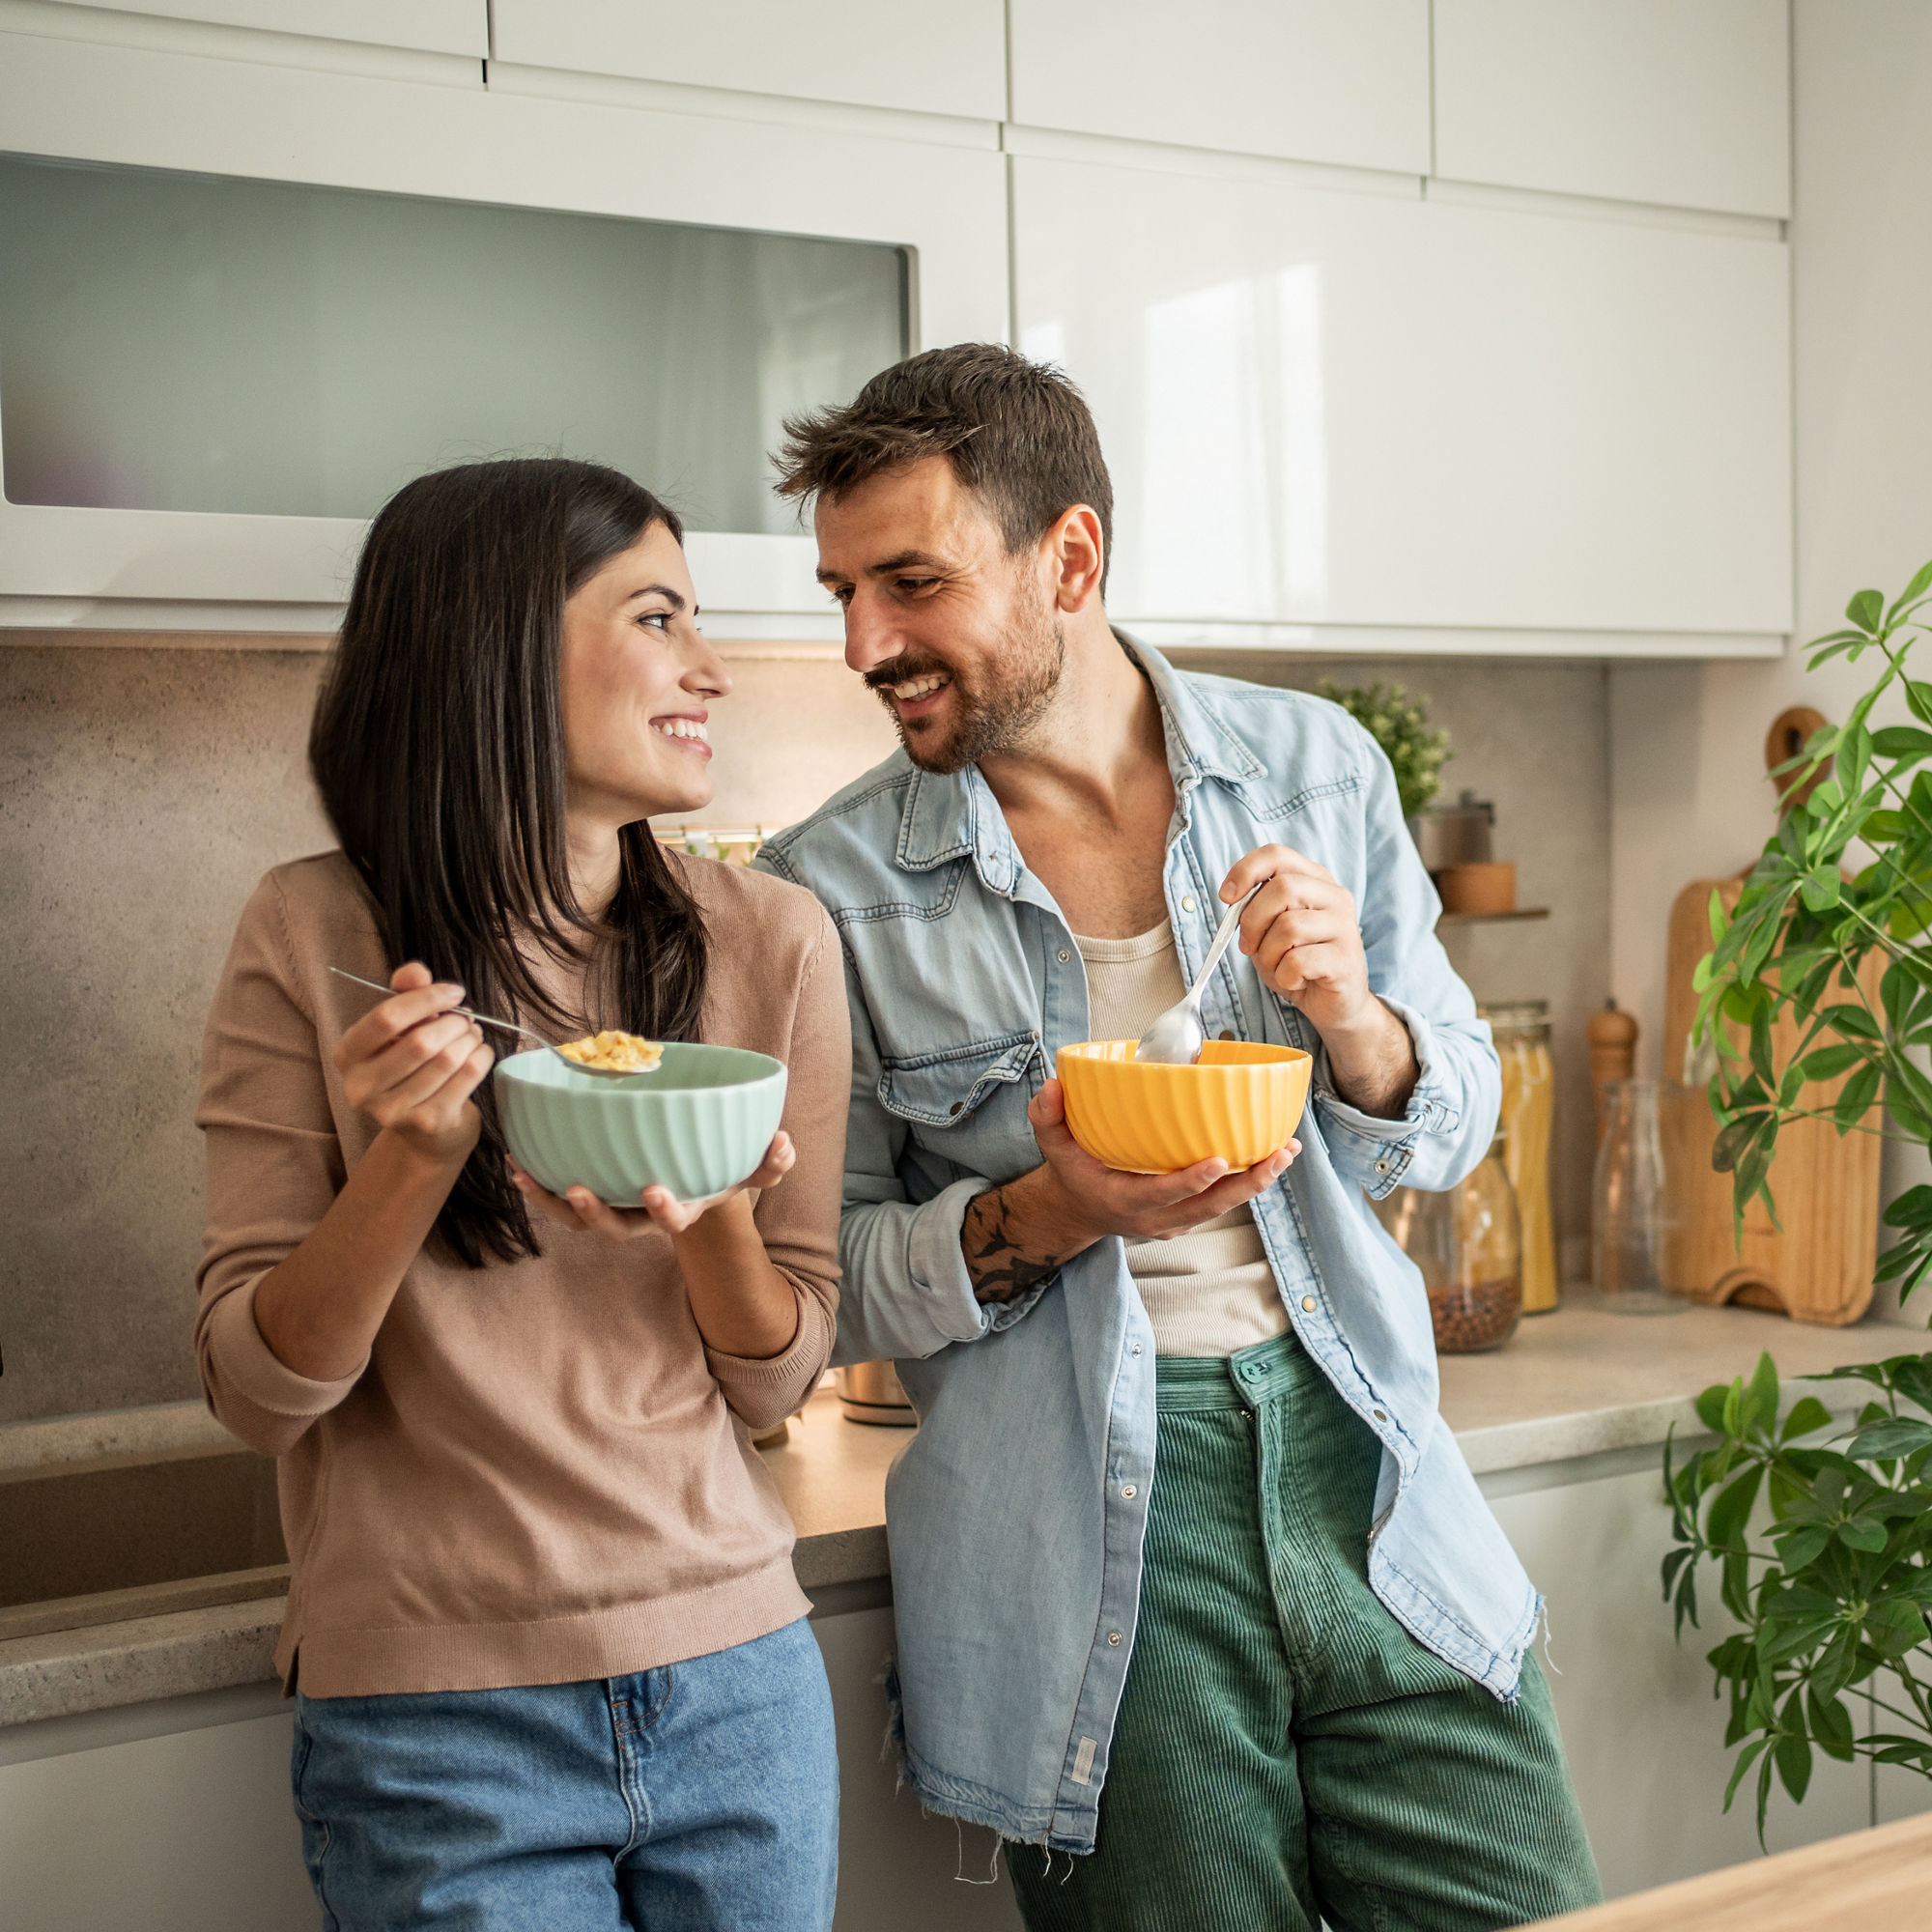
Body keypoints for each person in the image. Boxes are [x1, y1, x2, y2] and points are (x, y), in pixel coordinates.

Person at [754, 345, 1602, 1931]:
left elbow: (1457, 1114)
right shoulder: (828, 883)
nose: (867, 640)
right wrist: (1057, 1213)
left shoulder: (1311, 771)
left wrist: (1356, 1022)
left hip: (1370, 1465)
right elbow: (823, 1287)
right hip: (1081, 1533)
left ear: (1070, 557)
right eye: (845, 590)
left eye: (913, 583)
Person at [194, 458, 847, 1931]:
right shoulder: (314, 935)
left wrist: (712, 1213)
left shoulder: (775, 941)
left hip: (739, 1680)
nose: (713, 670)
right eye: (660, 617)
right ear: (492, 650)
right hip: (438, 1719)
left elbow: (780, 1376)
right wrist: (412, 1163)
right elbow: (254, 1392)